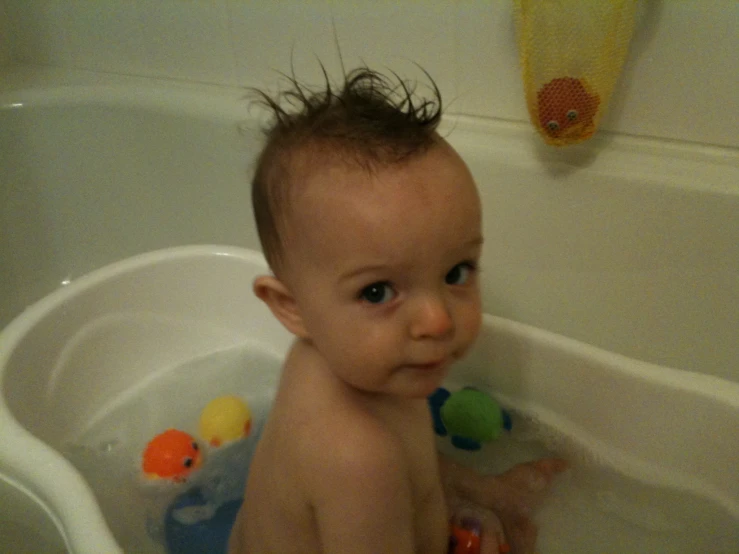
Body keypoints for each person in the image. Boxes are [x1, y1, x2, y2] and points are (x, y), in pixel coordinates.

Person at [229, 67, 567, 554]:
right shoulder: (356, 459)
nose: (438, 321)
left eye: (456, 273)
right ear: (291, 307)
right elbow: (381, 471)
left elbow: (408, 462)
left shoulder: (355, 362)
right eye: (377, 292)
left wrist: (478, 494)